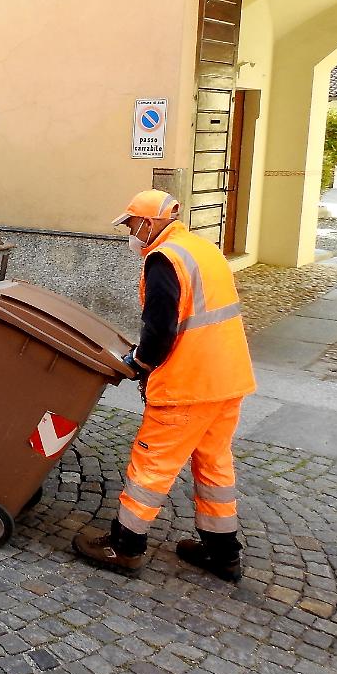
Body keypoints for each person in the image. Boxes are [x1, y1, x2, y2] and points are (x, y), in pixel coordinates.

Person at [73, 190, 256, 582]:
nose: (129, 232)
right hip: (228, 378)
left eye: (131, 224)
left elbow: (160, 327)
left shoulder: (164, 258)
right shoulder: (202, 248)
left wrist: (140, 363)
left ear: (150, 224)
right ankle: (223, 553)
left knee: (151, 466)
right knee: (215, 466)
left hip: (188, 385)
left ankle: (124, 547)